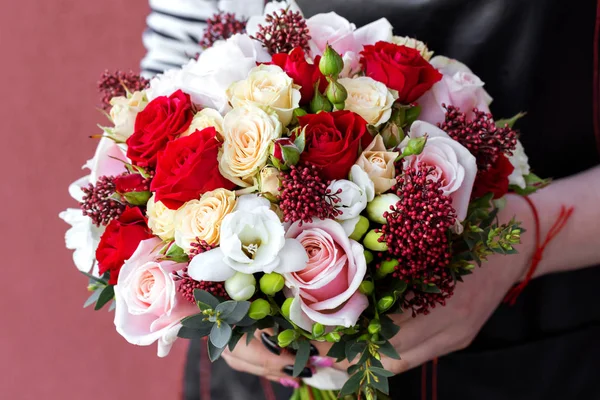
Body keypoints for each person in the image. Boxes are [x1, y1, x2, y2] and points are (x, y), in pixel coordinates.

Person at [142, 1, 600, 398]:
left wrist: (522, 242)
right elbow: (167, 87)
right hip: (262, 378)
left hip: (539, 345)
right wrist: (212, 304)